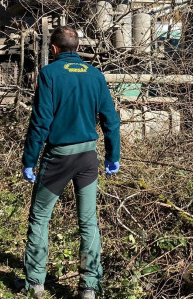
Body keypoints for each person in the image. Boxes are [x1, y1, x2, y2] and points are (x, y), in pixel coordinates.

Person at [19, 26, 120, 299]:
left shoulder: (49, 74)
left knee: (40, 218)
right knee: (88, 222)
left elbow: (40, 122)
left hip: (58, 158)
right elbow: (110, 119)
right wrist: (113, 156)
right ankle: (89, 285)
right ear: (77, 47)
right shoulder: (95, 75)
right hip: (88, 157)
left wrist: (29, 160)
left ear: (53, 49)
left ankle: (35, 283)